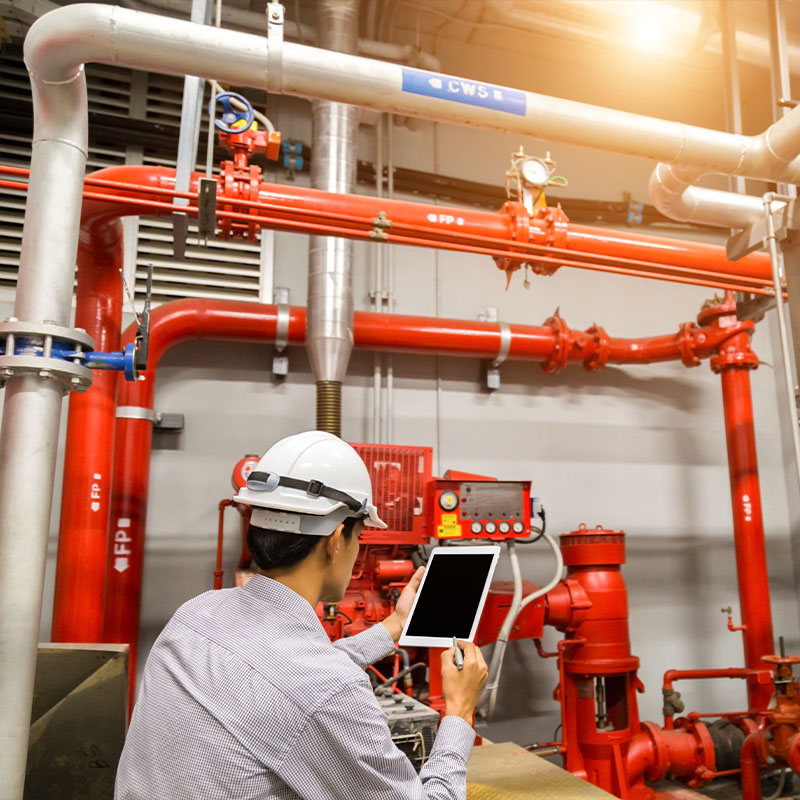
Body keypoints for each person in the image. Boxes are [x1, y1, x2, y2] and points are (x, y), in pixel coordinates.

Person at [115, 430, 488, 800]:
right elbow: (310, 686)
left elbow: (282, 678)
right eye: (360, 538)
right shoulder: (324, 688)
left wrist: (393, 627)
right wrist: (458, 713)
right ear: (336, 539)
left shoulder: (195, 614)